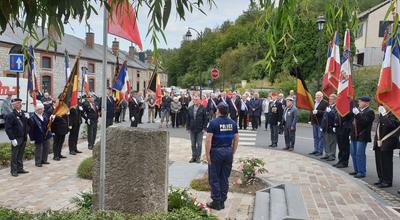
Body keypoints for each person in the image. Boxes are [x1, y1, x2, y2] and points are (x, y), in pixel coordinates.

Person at [205, 102, 239, 210]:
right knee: (224, 177)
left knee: (214, 178)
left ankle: (216, 201)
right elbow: (236, 139)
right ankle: (222, 200)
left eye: (217, 110)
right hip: (228, 151)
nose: (216, 111)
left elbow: (208, 140)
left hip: (216, 152)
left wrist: (207, 154)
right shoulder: (233, 123)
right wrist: (232, 152)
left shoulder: (213, 123)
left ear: (219, 111)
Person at [373, 105, 400, 188]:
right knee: (379, 161)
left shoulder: (395, 114)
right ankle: (381, 178)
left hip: (388, 141)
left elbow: (391, 125)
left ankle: (387, 181)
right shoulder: (382, 114)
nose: (383, 105)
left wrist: (384, 114)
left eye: (384, 104)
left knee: (386, 162)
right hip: (379, 141)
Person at [349, 96, 375, 178]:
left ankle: (362, 171)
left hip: (362, 136)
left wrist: (357, 114)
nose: (358, 103)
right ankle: (357, 170)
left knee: (360, 154)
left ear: (366, 103)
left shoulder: (370, 112)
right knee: (353, 153)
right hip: (354, 136)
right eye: (359, 101)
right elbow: (353, 124)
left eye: (360, 101)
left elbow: (364, 123)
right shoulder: (359, 111)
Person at [5, 98, 29, 177]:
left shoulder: (23, 113)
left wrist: (28, 119)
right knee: (14, 155)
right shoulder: (10, 115)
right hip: (16, 138)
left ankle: (20, 168)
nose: (20, 104)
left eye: (20, 103)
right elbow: (8, 128)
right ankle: (14, 170)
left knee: (21, 154)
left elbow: (28, 125)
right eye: (18, 103)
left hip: (23, 137)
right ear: (13, 105)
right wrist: (12, 139)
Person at [28, 102, 51, 167]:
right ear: (36, 110)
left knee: (46, 147)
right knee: (39, 149)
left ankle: (44, 160)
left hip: (46, 134)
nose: (41, 110)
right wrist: (31, 138)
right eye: (39, 109)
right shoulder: (32, 117)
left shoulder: (45, 115)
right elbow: (30, 129)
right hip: (37, 135)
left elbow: (48, 124)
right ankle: (38, 162)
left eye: (42, 109)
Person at [186, 94, 208, 163]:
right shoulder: (190, 108)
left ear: (200, 100)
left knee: (199, 144)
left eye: (197, 99)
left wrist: (204, 128)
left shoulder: (203, 108)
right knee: (193, 144)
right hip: (192, 128)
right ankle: (193, 157)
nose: (195, 101)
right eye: (194, 99)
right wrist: (188, 128)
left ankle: (198, 157)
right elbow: (188, 119)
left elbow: (205, 119)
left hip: (200, 129)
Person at [333, 102, 354, 168]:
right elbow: (337, 115)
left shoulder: (350, 104)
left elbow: (350, 115)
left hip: (345, 128)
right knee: (340, 145)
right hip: (339, 127)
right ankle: (340, 160)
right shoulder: (341, 103)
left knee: (345, 146)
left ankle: (344, 162)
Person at [309, 91, 329, 156]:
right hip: (314, 122)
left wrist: (318, 111)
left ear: (322, 97)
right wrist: (309, 119)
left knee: (320, 137)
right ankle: (316, 149)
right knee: (315, 136)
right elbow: (311, 111)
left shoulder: (325, 103)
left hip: (320, 122)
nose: (317, 97)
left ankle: (320, 151)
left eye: (319, 96)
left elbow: (326, 113)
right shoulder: (313, 102)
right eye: (316, 96)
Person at [320, 94, 337, 161]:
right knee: (326, 141)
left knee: (332, 142)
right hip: (326, 127)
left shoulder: (336, 107)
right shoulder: (328, 107)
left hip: (331, 127)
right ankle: (327, 154)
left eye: (331, 99)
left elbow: (335, 117)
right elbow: (324, 117)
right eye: (329, 99)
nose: (330, 100)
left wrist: (330, 112)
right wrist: (322, 126)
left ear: (335, 100)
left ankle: (332, 155)